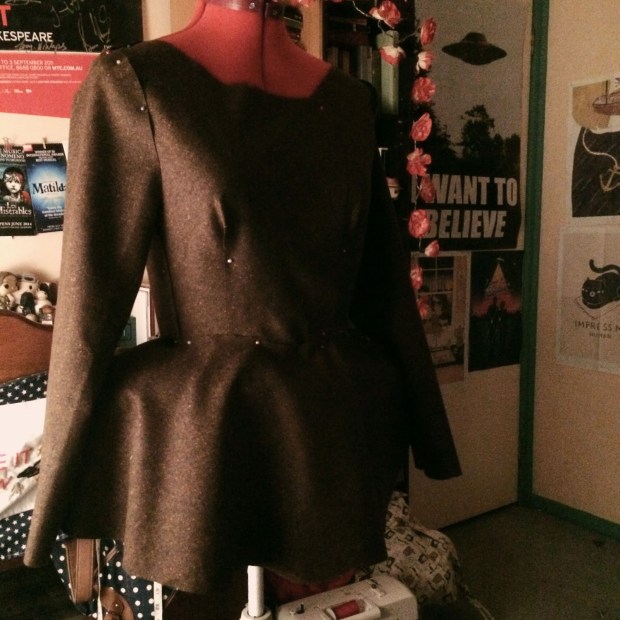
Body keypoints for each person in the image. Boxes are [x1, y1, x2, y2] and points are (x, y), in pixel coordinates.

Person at [24, 0, 461, 617]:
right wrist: (57, 489)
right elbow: (90, 300)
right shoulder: (135, 85)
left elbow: (382, 279)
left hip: (329, 421)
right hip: (208, 425)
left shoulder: (347, 102)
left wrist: (430, 432)